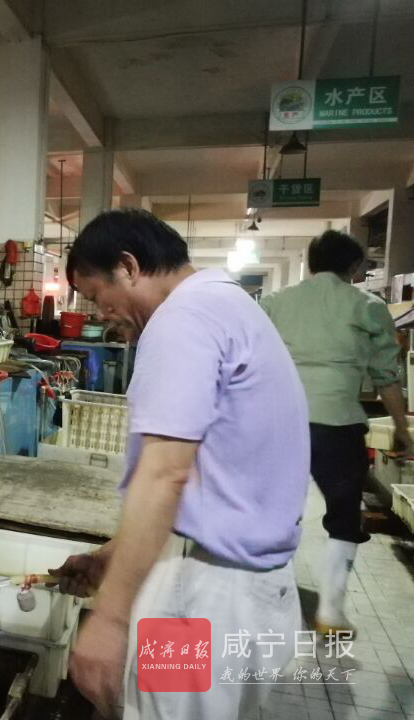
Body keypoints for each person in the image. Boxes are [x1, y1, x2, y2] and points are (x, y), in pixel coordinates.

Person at [52, 209, 310, 719]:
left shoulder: (181, 321)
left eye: (97, 296)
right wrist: (113, 556)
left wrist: (110, 621)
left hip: (200, 604)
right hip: (252, 593)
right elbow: (211, 474)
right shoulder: (226, 304)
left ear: (128, 267)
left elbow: (166, 473)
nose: (99, 315)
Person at [261, 229, 409, 635]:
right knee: (344, 516)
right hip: (339, 425)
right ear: (355, 267)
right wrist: (402, 428)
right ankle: (329, 613)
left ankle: (265, 597)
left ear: (310, 263)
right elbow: (387, 378)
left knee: (275, 511)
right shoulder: (368, 307)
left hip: (281, 423)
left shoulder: (275, 302)